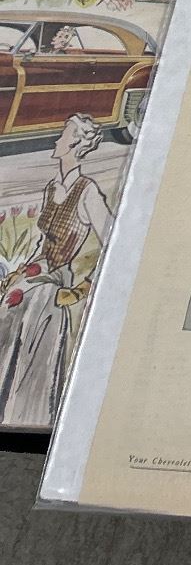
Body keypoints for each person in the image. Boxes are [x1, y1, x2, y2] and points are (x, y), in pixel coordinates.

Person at [0, 113, 112, 428]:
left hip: (57, 281)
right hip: (39, 271)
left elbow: (116, 242)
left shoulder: (87, 190)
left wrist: (82, 288)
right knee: (8, 307)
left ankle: (24, 416)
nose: (57, 139)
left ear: (75, 143)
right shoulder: (52, 188)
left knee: (31, 317)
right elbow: (42, 243)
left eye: (63, 134)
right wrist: (20, 270)